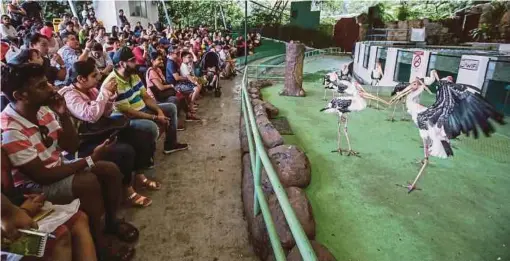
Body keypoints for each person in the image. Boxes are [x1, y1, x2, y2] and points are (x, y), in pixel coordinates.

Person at [0, 63, 137, 261]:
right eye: (41, 86)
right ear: (21, 95)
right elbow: (42, 176)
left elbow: (71, 147)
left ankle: (111, 223)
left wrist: (64, 115)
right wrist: (89, 160)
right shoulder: (10, 129)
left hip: (57, 169)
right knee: (87, 183)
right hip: (34, 186)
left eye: (47, 83)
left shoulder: (41, 110)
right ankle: (100, 247)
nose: (51, 88)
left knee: (110, 170)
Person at [59, 59, 160, 207]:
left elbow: (104, 114)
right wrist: (104, 93)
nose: (98, 78)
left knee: (141, 137)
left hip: (97, 133)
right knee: (124, 150)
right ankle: (128, 190)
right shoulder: (69, 95)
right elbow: (90, 115)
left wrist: (108, 99)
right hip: (81, 142)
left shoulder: (91, 90)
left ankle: (139, 174)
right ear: (81, 79)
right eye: (94, 76)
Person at [1, 150, 97, 261]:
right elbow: (43, 176)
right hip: (9, 223)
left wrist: (24, 199)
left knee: (79, 218)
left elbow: (8, 191)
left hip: (13, 211)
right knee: (60, 236)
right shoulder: (13, 135)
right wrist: (23, 210)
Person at [102, 47, 189, 154]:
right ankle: (146, 156)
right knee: (152, 127)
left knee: (171, 107)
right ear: (122, 64)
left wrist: (159, 111)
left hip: (142, 109)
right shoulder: (113, 82)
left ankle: (170, 144)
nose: (137, 62)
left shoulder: (133, 75)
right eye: (132, 60)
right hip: (126, 118)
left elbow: (146, 97)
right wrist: (155, 117)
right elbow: (129, 112)